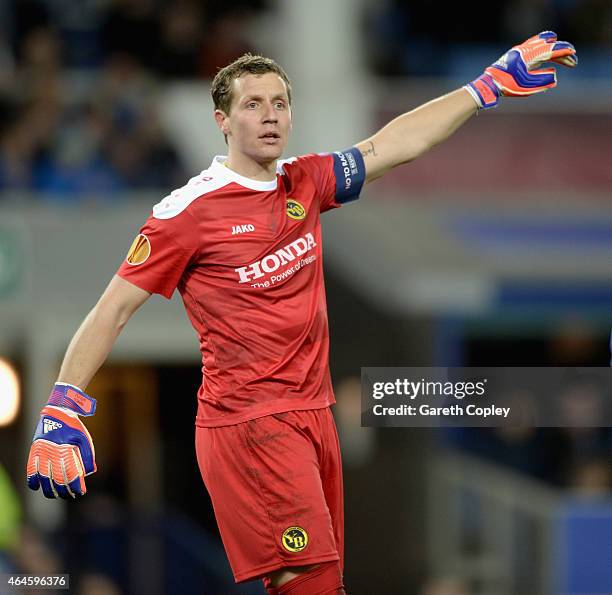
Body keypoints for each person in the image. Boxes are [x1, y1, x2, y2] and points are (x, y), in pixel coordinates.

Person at [26, 32, 577, 594]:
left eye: (280, 103)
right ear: (223, 121)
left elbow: (393, 145)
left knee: (320, 583)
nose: (270, 116)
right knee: (311, 587)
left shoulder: (305, 181)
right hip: (251, 424)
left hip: (315, 415)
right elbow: (112, 309)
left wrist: (483, 88)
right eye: (252, 104)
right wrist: (62, 409)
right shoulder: (187, 214)